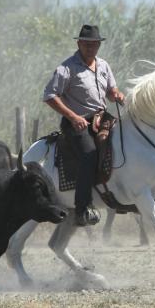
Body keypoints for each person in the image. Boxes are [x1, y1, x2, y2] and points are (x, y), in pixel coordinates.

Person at [43, 24, 125, 226]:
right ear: (79, 43)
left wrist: (117, 95)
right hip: (76, 124)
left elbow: (111, 90)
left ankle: (121, 196)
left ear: (99, 45)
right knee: (89, 155)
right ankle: (82, 209)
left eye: (95, 44)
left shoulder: (104, 65)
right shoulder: (67, 68)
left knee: (123, 145)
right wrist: (73, 117)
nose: (91, 48)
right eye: (87, 44)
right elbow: (50, 95)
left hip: (101, 119)